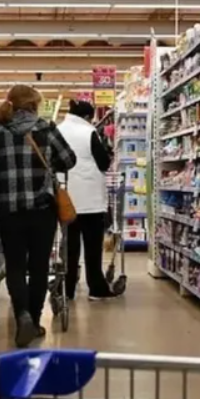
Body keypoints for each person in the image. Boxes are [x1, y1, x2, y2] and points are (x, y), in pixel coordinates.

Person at [0, 85, 76, 347]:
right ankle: (34, 321)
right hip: (41, 211)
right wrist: (48, 163)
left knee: (14, 266)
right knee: (39, 267)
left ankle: (21, 314)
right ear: (34, 105)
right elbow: (69, 160)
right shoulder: (46, 128)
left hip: (8, 212)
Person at [58, 100, 119, 300]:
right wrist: (109, 155)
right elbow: (103, 163)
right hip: (90, 200)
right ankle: (96, 288)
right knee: (92, 247)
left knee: (69, 247)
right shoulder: (88, 132)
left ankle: (67, 289)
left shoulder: (59, 130)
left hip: (66, 197)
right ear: (87, 117)